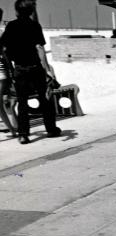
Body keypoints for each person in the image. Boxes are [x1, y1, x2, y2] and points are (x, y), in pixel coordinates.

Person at [0, 0, 60, 145]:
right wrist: (47, 70)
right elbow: (39, 48)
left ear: (16, 11)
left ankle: (23, 134)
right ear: (31, 11)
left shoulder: (11, 26)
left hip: (20, 69)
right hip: (35, 68)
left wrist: (10, 65)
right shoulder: (35, 26)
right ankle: (51, 129)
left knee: (22, 102)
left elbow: (3, 48)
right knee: (44, 99)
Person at [0, 7, 17, 137]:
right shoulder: (1, 34)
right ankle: (12, 129)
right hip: (3, 74)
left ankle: (12, 129)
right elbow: (6, 57)